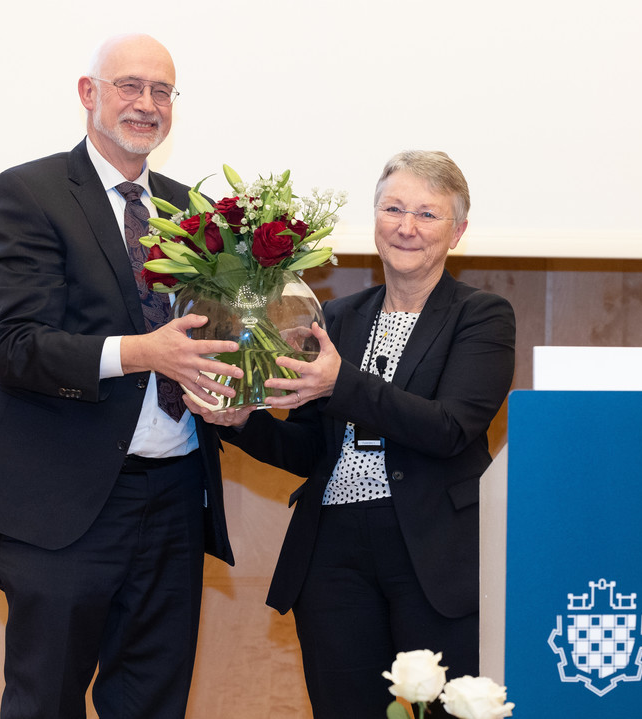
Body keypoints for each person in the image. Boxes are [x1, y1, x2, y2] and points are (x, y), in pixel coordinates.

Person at [0, 34, 244, 719]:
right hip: (63, 505)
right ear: (89, 94)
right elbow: (17, 345)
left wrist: (230, 397)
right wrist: (145, 352)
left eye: (162, 91)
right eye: (129, 86)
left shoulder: (193, 212)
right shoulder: (31, 191)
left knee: (152, 704)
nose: (146, 104)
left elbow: (209, 342)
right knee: (44, 701)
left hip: (173, 496)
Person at [195, 150, 516, 717]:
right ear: (374, 219)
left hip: (431, 551)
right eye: (393, 208)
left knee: (441, 711)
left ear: (458, 231)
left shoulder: (483, 317)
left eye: (427, 214)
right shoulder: (338, 317)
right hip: (333, 549)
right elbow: (313, 450)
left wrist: (340, 382)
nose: (406, 227)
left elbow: (450, 428)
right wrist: (244, 422)